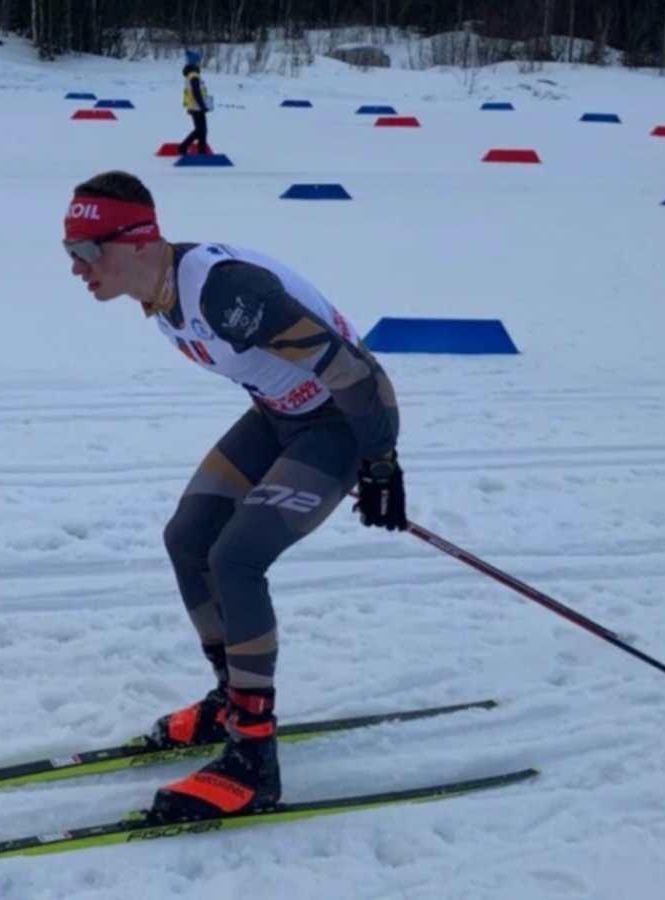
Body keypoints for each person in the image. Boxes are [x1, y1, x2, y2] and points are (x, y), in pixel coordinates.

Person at [62, 171, 407, 824]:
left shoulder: (225, 293)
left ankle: (254, 757)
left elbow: (353, 371)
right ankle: (232, 698)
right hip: (282, 416)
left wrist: (380, 463)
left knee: (238, 558)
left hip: (341, 422)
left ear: (138, 240)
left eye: (88, 250)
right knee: (188, 538)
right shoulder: (157, 294)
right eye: (68, 252)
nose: (78, 267)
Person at [178, 50, 212, 156]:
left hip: (194, 106)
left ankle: (192, 148)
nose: (199, 64)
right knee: (201, 130)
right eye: (198, 62)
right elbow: (196, 92)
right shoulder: (194, 75)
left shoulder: (191, 75)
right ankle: (189, 148)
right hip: (197, 107)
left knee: (200, 130)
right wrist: (203, 105)